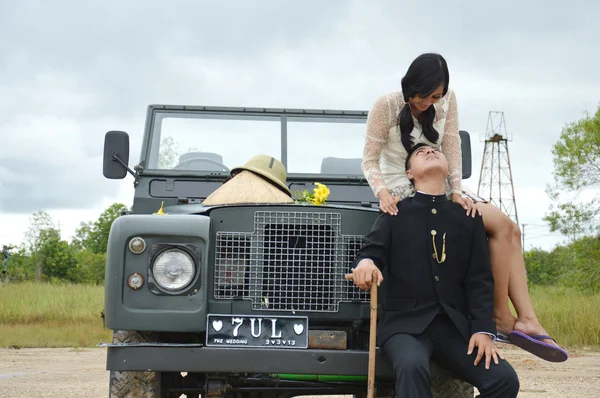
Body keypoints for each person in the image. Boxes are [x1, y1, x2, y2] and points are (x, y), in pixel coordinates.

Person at [361, 52, 567, 362]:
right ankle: (499, 316)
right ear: (412, 85)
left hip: (440, 187)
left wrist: (456, 192)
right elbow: (369, 159)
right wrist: (382, 192)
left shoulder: (446, 100)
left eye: (437, 96)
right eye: (427, 95)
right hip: (402, 187)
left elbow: (452, 147)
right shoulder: (386, 105)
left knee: (506, 226)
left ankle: (524, 317)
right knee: (497, 226)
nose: (431, 102)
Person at [351, 143, 520, 397]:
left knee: (504, 380)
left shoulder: (468, 217)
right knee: (412, 365)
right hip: (404, 326)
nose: (430, 152)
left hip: (452, 328)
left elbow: (480, 280)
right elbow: (371, 252)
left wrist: (483, 330)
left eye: (436, 151)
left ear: (448, 168)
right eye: (420, 153)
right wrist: (365, 264)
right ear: (409, 173)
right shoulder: (395, 212)